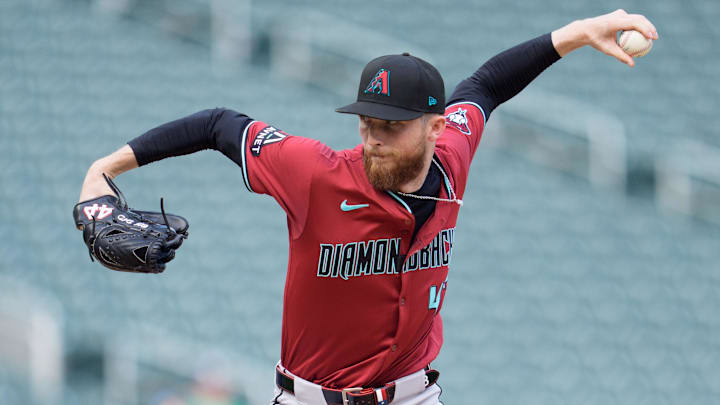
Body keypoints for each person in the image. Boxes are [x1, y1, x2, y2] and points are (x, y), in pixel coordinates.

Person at [78, 9, 657, 405]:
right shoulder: (314, 174)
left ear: (434, 128)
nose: (373, 136)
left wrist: (580, 32)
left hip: (415, 392)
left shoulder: (453, 154)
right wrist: (102, 170)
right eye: (366, 121)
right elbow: (216, 125)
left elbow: (485, 85)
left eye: (391, 126)